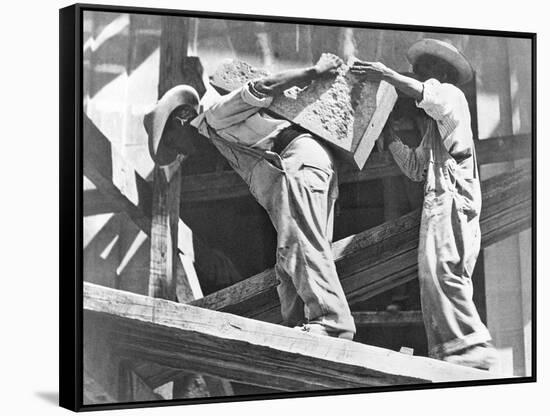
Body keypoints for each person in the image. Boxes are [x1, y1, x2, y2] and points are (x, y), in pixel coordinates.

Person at [144, 53, 356, 341]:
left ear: (181, 119)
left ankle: (331, 322)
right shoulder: (216, 137)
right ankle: (299, 328)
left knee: (300, 245)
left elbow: (264, 87)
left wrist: (314, 71)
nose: (179, 151)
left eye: (172, 141)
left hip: (295, 164)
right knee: (288, 257)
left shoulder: (216, 115)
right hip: (300, 169)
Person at [351, 39, 497, 369]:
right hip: (440, 195)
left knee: (445, 270)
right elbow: (418, 167)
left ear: (441, 71)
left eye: (425, 66)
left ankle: (472, 345)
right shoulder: (435, 125)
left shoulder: (451, 96)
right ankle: (452, 351)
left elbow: (425, 93)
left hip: (452, 196)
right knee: (433, 274)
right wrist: (389, 138)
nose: (418, 72)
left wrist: (387, 75)